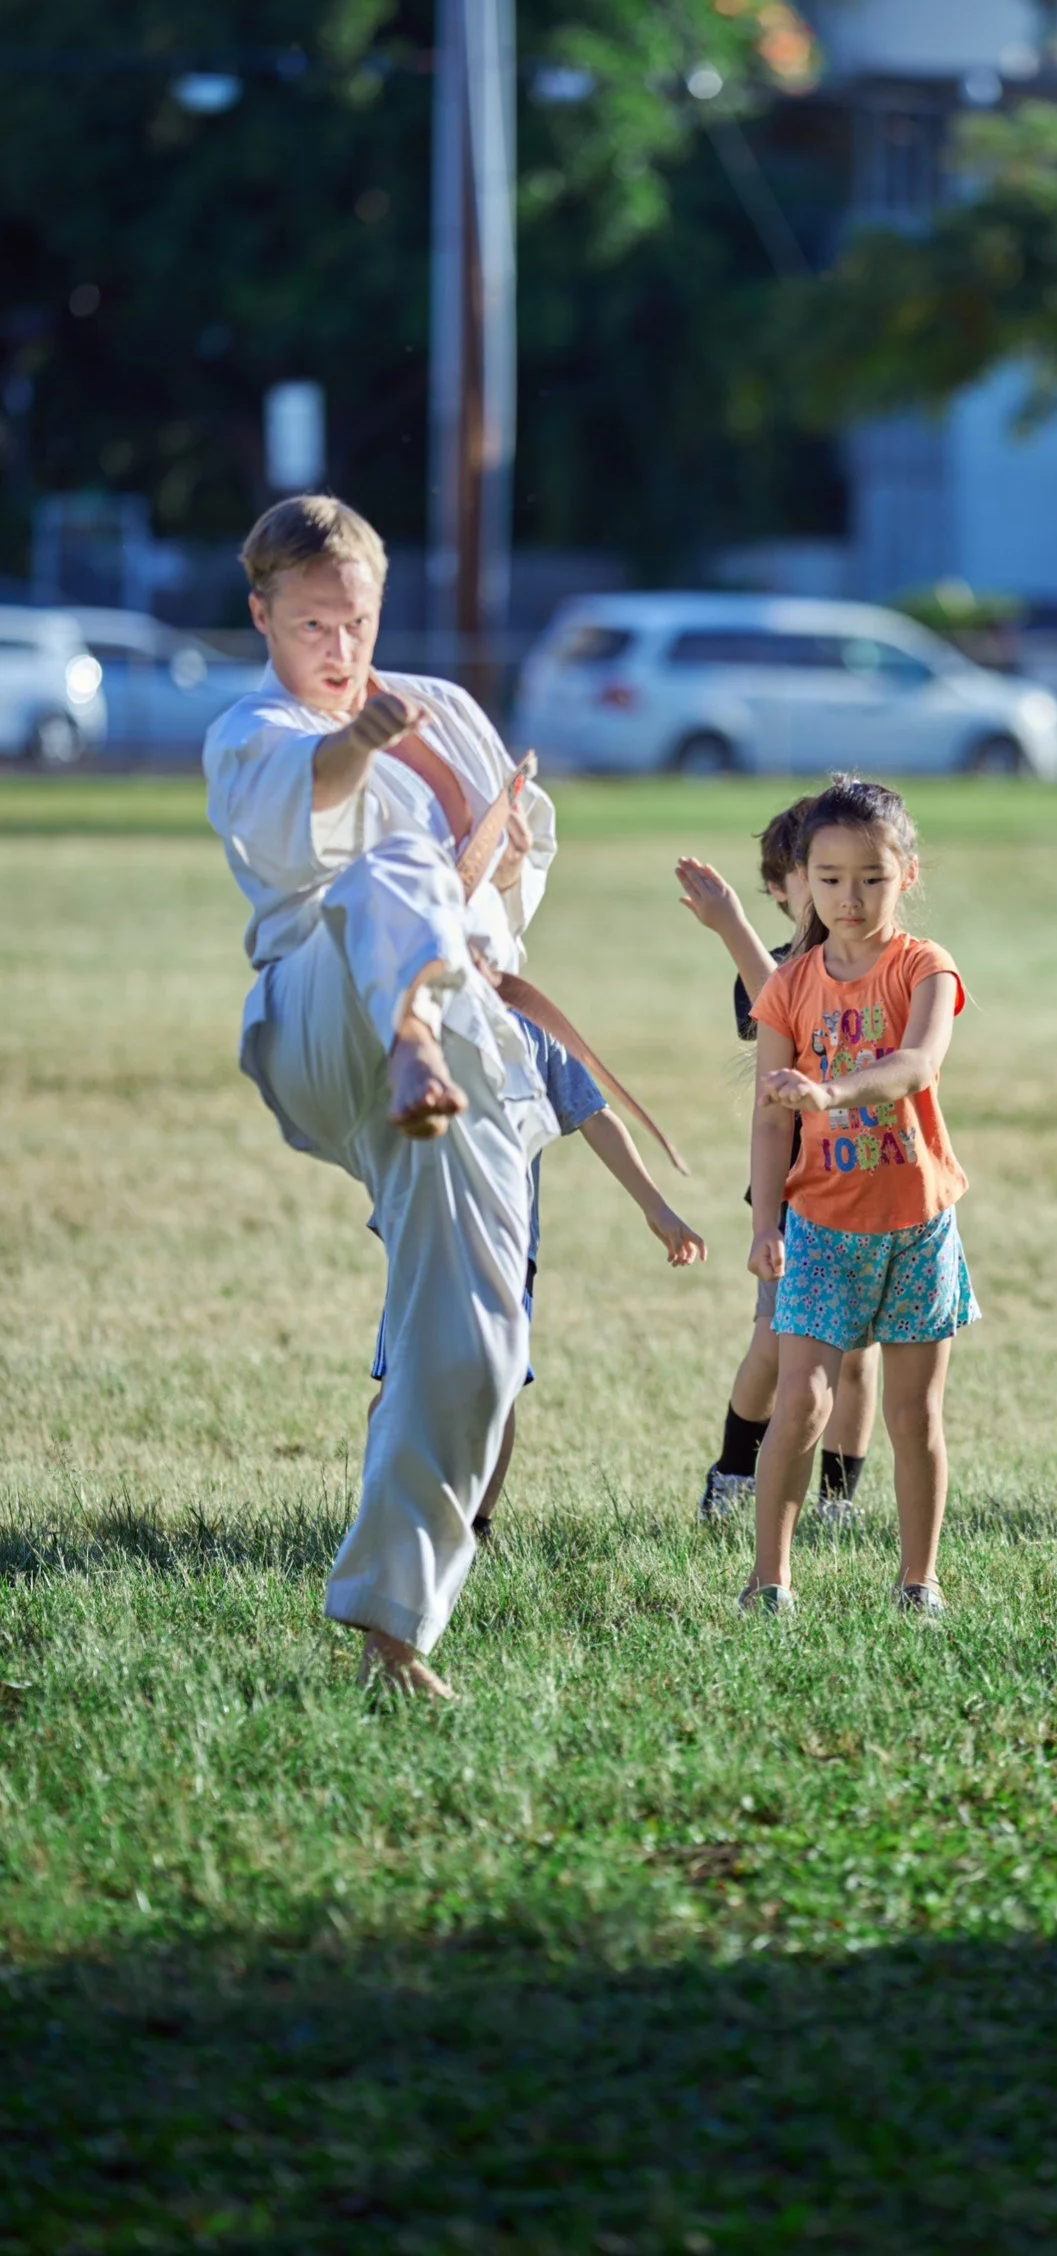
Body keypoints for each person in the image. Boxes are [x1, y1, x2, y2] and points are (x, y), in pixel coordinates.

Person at [205, 493, 562, 1698]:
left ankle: (393, 1631)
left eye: (355, 620)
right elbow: (299, 818)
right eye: (312, 624)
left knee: (477, 1332)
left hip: (463, 1048)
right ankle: (411, 1025)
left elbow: (518, 862)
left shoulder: (446, 711)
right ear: (262, 615)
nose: (340, 648)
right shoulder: (251, 726)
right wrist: (359, 744)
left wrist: (501, 863)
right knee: (390, 864)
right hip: (322, 1017)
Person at [740, 778, 976, 1616]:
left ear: (906, 874)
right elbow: (770, 1124)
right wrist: (765, 1224)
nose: (851, 896)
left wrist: (833, 1095)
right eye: (831, 877)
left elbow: (917, 1065)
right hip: (820, 1226)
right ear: (803, 879)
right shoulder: (787, 987)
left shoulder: (926, 968)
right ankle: (769, 1580)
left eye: (872, 877)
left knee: (914, 1415)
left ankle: (920, 1582)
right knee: (802, 1397)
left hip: (916, 1223)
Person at [368, 1022, 705, 1541]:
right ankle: (389, 1523)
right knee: (402, 1387)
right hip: (424, 1236)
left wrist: (655, 1208)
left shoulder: (533, 1030)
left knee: (496, 1392)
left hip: (506, 1247)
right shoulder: (413, 1019)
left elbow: (593, 1115)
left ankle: (473, 1530)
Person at [674, 802, 879, 1528]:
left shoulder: (879, 960)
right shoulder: (772, 970)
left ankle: (838, 1502)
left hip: (872, 1184)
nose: (837, 892)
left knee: (856, 1356)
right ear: (784, 890)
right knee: (777, 1342)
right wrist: (731, 928)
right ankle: (734, 1469)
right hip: (797, 1192)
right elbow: (785, 1010)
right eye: (817, 875)